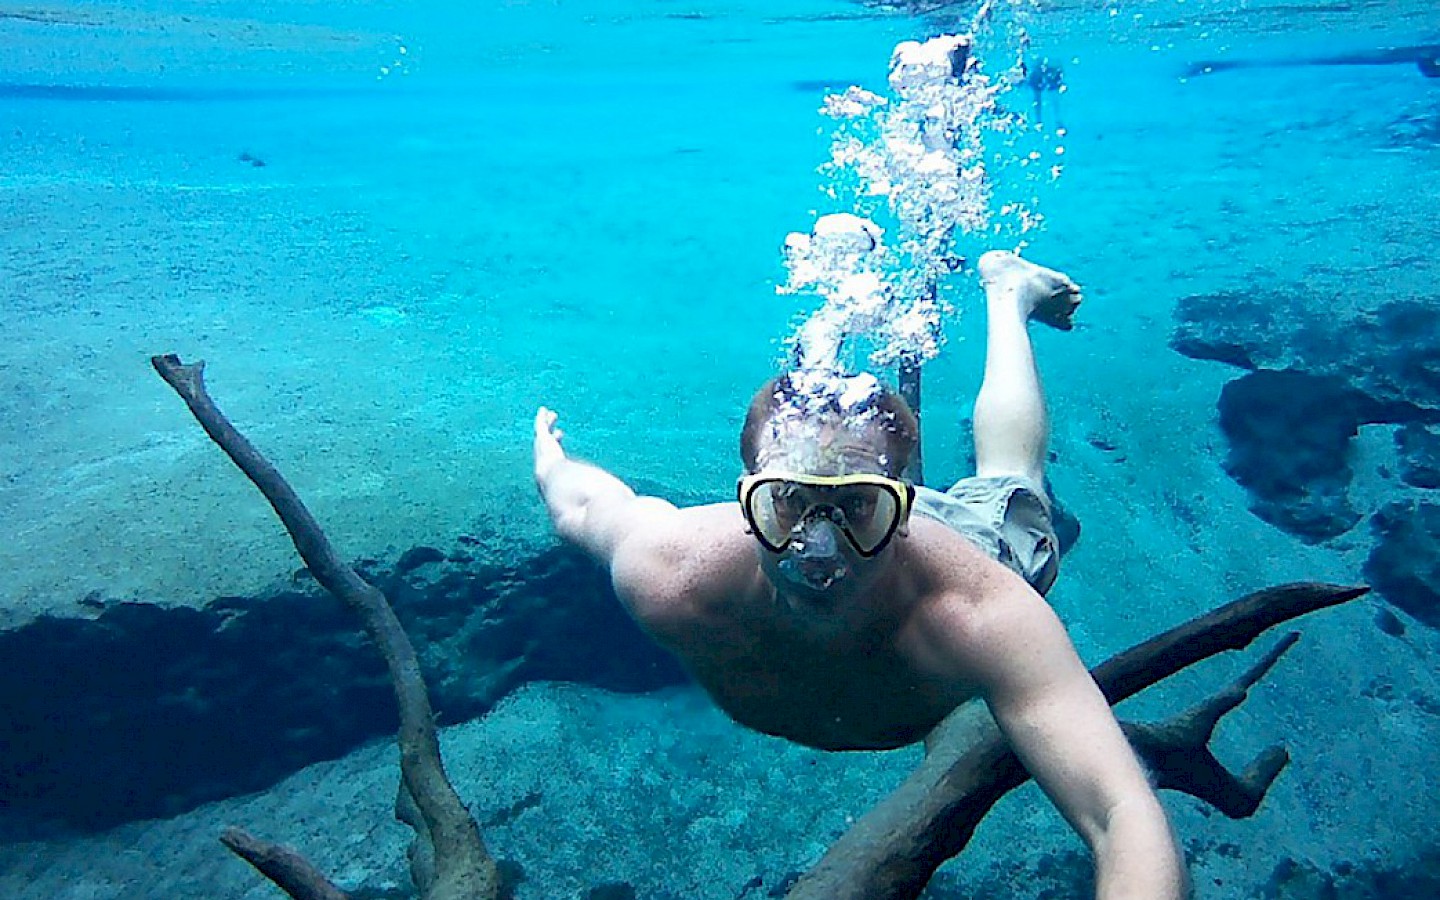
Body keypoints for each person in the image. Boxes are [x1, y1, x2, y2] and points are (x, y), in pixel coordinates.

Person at [533, 250, 1187, 898]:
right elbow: (589, 508)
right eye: (787, 504)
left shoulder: (982, 613)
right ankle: (828, 349)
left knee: (1012, 478)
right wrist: (551, 466)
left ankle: (1007, 292)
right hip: (875, 513)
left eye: (854, 509)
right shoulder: (673, 570)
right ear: (745, 501)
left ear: (901, 512)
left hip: (960, 544)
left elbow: (1120, 812)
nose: (822, 552)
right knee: (825, 445)